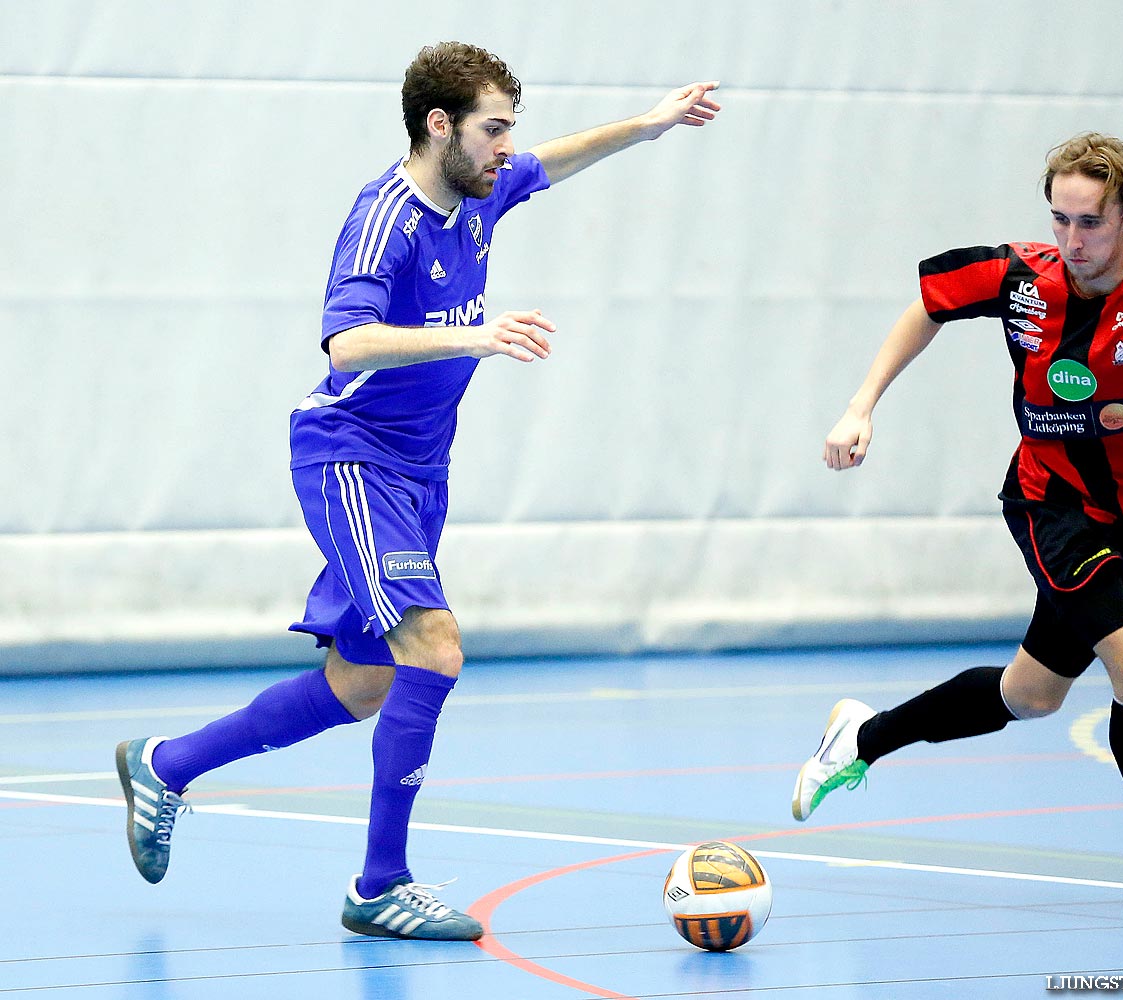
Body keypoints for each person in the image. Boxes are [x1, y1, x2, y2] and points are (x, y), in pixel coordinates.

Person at [116, 41, 720, 941]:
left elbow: (559, 160)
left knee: (361, 684)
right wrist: (475, 337)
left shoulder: (482, 193)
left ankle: (167, 764)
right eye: (494, 129)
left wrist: (651, 123)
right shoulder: (383, 218)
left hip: (418, 471)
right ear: (439, 126)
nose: (509, 147)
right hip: (351, 455)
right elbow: (346, 344)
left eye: (510, 129)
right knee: (433, 652)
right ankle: (380, 886)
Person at [792, 132, 1123, 912]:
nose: (1072, 239)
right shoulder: (1021, 275)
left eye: (1089, 222)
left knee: (1031, 695)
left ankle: (861, 737)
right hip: (1048, 501)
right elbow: (929, 304)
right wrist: (860, 406)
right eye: (1060, 219)